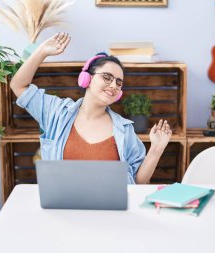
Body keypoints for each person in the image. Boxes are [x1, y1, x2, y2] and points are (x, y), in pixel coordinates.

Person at [10, 32, 172, 184]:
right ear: (86, 78)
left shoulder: (125, 129)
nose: (114, 85)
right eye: (107, 77)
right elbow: (18, 86)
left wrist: (157, 148)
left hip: (109, 210)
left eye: (119, 82)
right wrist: (42, 52)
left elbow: (138, 180)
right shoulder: (56, 112)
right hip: (63, 208)